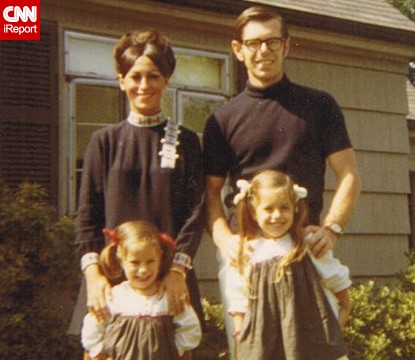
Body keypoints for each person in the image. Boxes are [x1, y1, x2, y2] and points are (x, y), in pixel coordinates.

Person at [202, 5, 361, 349]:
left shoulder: (319, 106)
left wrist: (331, 229)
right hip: (246, 257)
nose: (264, 51)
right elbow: (211, 192)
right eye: (254, 43)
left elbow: (348, 173)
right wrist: (223, 238)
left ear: (287, 46)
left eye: (273, 42)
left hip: (303, 251)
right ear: (238, 50)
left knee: (314, 350)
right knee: (251, 350)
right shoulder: (223, 120)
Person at [71, 29, 205, 336]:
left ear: (166, 80)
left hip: (169, 278)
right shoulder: (103, 141)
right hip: (112, 277)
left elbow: (196, 214)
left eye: (153, 76)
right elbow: (87, 214)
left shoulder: (186, 142)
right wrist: (93, 274)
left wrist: (177, 270)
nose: (144, 85)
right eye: (135, 77)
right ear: (121, 81)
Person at [226, 170, 351, 360]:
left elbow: (337, 280)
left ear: (295, 208)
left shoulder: (306, 244)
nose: (277, 215)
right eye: (268, 209)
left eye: (284, 207)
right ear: (253, 211)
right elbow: (239, 300)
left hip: (311, 342)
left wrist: (342, 314)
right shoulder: (248, 252)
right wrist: (240, 341)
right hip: (264, 344)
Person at [81, 221, 202, 360]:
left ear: (160, 258)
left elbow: (189, 327)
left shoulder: (167, 297)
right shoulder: (115, 297)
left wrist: (177, 350)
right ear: (121, 261)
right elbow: (93, 327)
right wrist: (98, 352)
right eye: (135, 262)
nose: (143, 270)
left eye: (150, 261)